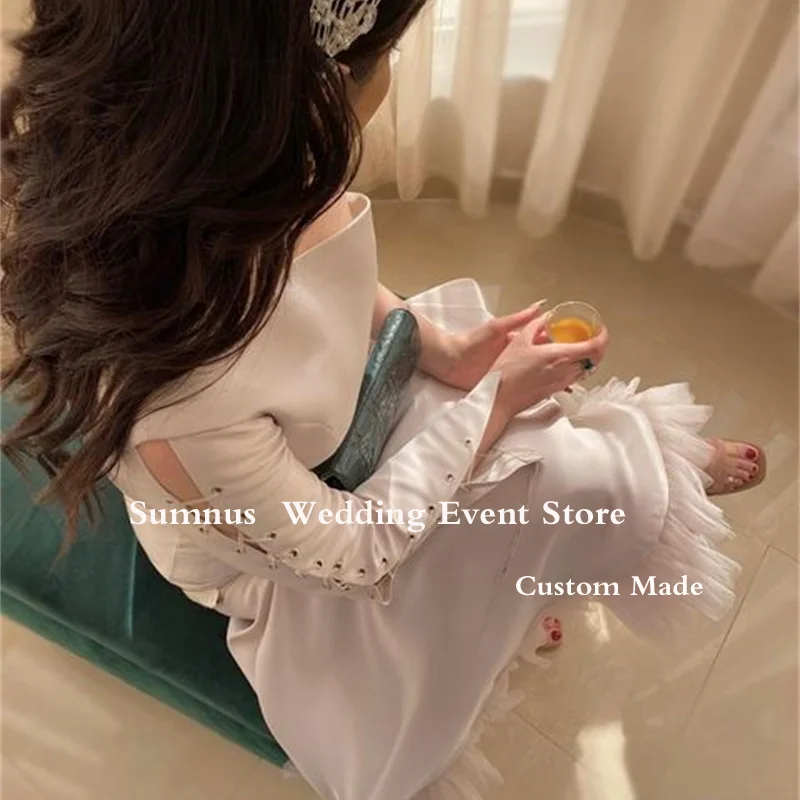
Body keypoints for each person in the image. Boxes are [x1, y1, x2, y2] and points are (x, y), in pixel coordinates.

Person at [1, 2, 765, 798]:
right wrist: (492, 404)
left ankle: (550, 552)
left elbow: (317, 281)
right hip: (280, 548)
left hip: (321, 420)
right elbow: (352, 558)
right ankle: (561, 550)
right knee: (544, 474)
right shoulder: (181, 411)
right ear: (326, 80)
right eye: (390, 55)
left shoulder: (237, 162)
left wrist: (440, 347)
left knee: (538, 456)